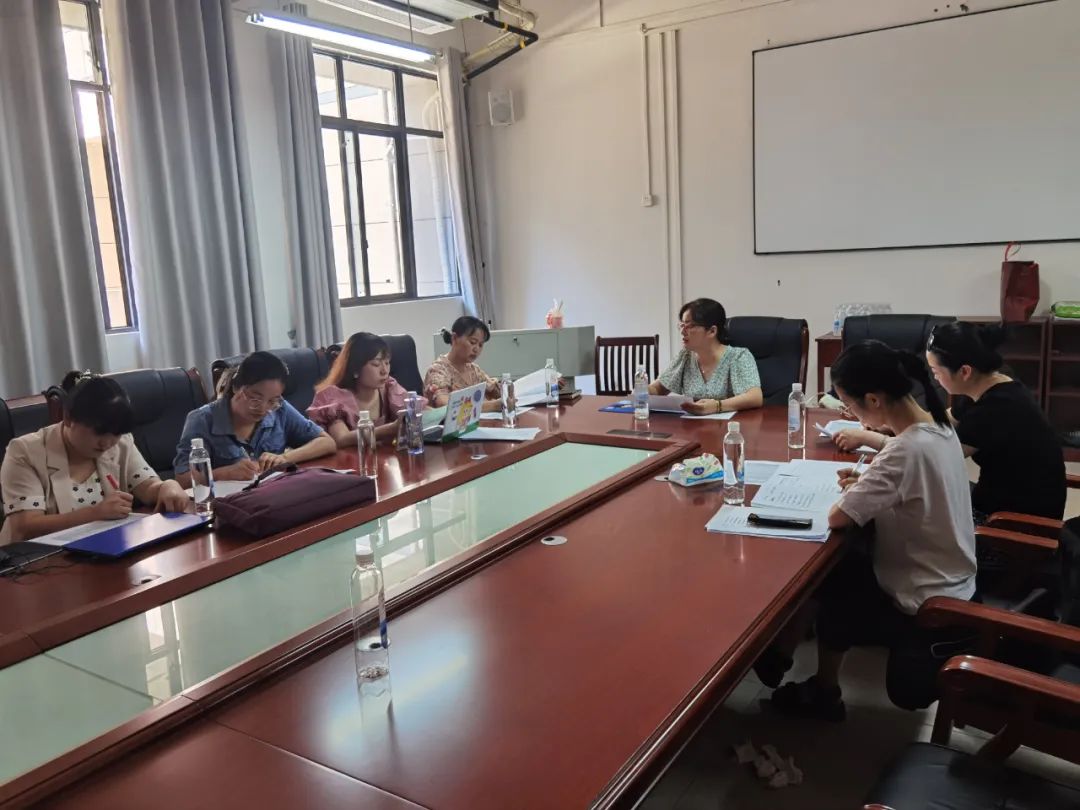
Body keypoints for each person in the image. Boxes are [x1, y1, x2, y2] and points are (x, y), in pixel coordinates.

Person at [757, 340, 976, 718]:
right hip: (954, 579)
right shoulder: (939, 428)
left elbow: (837, 517)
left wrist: (857, 490)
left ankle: (815, 684)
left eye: (851, 405)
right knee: (846, 565)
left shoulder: (904, 450)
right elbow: (912, 488)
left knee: (833, 575)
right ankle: (790, 659)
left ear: (874, 400)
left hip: (926, 600)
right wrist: (867, 484)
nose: (851, 415)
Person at [1, 372, 189, 545]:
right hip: (37, 560)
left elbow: (147, 487)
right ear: (68, 418)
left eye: (116, 433)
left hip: (104, 549)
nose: (107, 443)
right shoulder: (25, 452)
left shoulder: (121, 443)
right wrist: (95, 514)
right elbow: (25, 527)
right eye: (99, 432)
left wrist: (167, 486)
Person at [927, 321, 1065, 522]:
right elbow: (944, 418)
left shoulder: (995, 409)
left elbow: (933, 457)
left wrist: (879, 439)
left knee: (917, 511)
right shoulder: (990, 382)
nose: (935, 379)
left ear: (964, 372)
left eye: (936, 372)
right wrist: (895, 418)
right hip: (1001, 498)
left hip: (1014, 523)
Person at [173, 351, 336, 488]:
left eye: (272, 401)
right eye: (255, 399)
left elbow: (327, 442)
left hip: (272, 496)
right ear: (236, 387)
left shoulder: (280, 409)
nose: (264, 408)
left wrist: (284, 458)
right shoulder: (202, 420)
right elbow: (182, 480)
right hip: (227, 505)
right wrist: (224, 473)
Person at [649, 298, 764, 414]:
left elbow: (755, 397)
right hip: (692, 423)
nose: (682, 331)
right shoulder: (685, 356)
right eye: (682, 325)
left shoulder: (738, 356)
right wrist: (642, 388)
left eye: (690, 326)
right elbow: (657, 388)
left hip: (730, 423)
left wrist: (717, 406)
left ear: (712, 331)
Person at [308, 332, 422, 447]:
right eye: (376, 364)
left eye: (387, 363)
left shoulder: (389, 387)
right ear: (355, 369)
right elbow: (342, 439)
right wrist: (391, 428)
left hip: (383, 456)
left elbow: (418, 410)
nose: (384, 371)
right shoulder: (333, 397)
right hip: (351, 457)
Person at [424, 316, 502, 412]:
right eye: (472, 342)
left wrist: (498, 389)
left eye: (480, 345)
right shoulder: (438, 370)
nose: (476, 349)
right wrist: (492, 406)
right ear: (454, 338)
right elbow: (445, 405)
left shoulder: (474, 369)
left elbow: (495, 390)